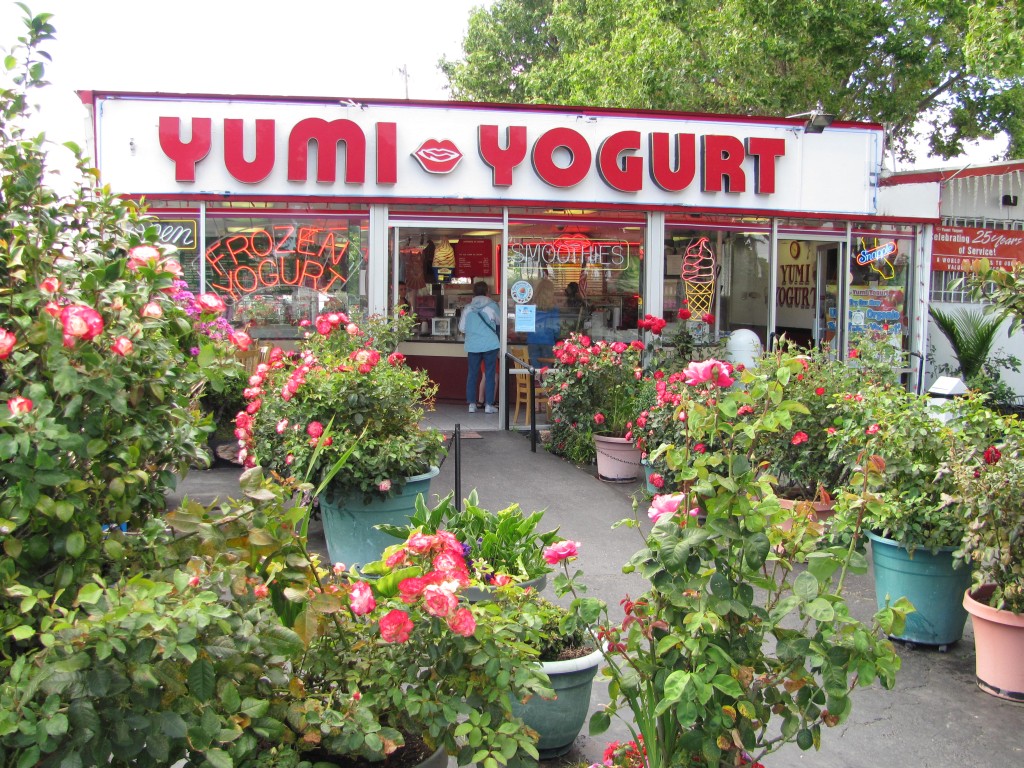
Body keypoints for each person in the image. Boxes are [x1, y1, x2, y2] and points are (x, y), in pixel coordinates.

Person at [459, 281, 500, 414]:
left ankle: (472, 404)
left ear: (474, 293)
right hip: (490, 344)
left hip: (473, 345)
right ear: (487, 291)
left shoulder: (468, 308)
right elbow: (500, 322)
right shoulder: (493, 306)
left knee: (472, 374)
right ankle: (489, 405)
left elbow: (462, 328)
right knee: (489, 374)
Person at [527, 278, 560, 367]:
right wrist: (557, 336)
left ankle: (537, 381)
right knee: (546, 372)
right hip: (548, 341)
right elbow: (556, 328)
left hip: (532, 341)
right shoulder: (553, 308)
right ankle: (544, 381)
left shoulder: (531, 306)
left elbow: (526, 324)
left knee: (535, 371)